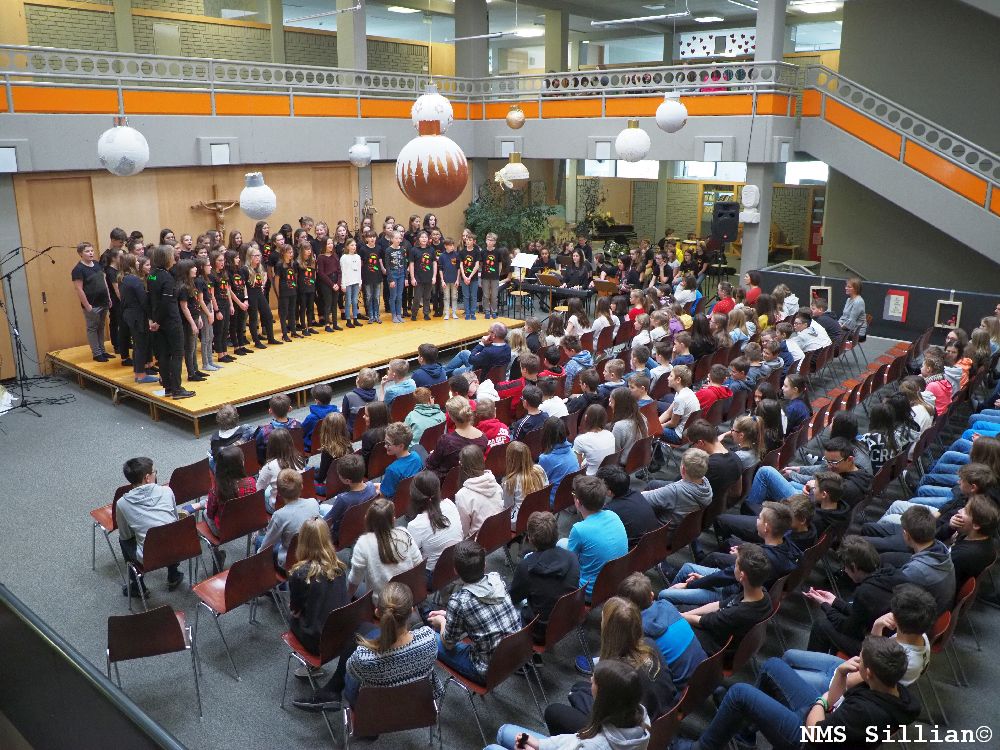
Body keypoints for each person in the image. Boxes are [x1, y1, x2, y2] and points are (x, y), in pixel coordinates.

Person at [674, 635, 920, 750]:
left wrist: (820, 703)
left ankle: (701, 748)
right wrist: (841, 673)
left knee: (739, 692)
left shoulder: (865, 712)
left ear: (870, 673)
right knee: (772, 666)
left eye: (861, 661)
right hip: (826, 718)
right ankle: (745, 734)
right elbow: (839, 692)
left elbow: (815, 733)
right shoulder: (895, 690)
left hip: (809, 740)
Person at [548, 597, 674, 734]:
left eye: (603, 619)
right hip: (660, 719)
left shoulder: (617, 671)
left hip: (632, 729)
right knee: (578, 688)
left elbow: (608, 716)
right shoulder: (650, 644)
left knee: (555, 710)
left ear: (609, 629)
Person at [784, 583, 935, 696]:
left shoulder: (900, 657)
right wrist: (877, 626)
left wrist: (841, 671)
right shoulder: (920, 636)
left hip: (847, 683)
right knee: (789, 656)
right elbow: (871, 654)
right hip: (858, 667)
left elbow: (851, 681)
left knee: (782, 673)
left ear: (896, 619)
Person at [658, 501, 797, 607]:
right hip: (739, 584)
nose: (756, 520)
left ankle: (663, 606)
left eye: (759, 518)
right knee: (688, 568)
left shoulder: (760, 558)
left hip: (731, 594)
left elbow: (724, 577)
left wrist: (690, 585)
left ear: (766, 528)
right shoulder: (786, 546)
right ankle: (671, 597)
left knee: (665, 594)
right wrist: (745, 552)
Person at [426, 540, 521, 683]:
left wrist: (441, 621)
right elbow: (482, 611)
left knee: (428, 637)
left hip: (486, 670)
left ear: (455, 571)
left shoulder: (459, 601)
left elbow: (448, 643)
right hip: (515, 655)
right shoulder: (497, 579)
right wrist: (449, 615)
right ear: (485, 564)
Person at [803, 535, 901, 656]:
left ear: (853, 567)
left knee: (821, 626)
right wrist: (835, 602)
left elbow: (848, 628)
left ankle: (809, 664)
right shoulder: (892, 573)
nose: (845, 571)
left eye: (845, 567)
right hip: (894, 635)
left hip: (880, 649)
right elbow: (862, 613)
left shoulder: (865, 592)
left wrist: (825, 606)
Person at [680, 543, 772, 656]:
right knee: (681, 609)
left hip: (716, 647)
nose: (734, 566)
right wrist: (686, 614)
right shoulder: (762, 594)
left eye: (736, 564)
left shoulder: (737, 612)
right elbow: (720, 604)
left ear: (742, 575)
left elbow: (703, 622)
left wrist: (679, 616)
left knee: (673, 618)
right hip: (726, 632)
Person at [116, 457, 183, 596]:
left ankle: (138, 586)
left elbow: (126, 535)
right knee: (169, 530)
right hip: (178, 547)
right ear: (147, 478)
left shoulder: (122, 504)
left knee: (123, 541)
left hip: (148, 556)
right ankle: (173, 574)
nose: (155, 474)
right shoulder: (167, 491)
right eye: (154, 472)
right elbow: (175, 520)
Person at [510, 511, 580, 643]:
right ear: (557, 534)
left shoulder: (526, 567)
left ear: (530, 539)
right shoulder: (572, 557)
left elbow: (513, 598)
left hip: (538, 632)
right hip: (568, 620)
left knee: (505, 604)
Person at [287, 517, 349, 655]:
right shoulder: (339, 566)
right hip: (342, 633)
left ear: (302, 541)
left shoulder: (300, 573)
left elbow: (295, 610)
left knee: (290, 615)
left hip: (316, 642)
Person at [560, 475, 628, 598]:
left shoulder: (579, 529)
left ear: (577, 502)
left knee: (560, 545)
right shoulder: (613, 515)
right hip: (617, 581)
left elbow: (570, 564)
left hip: (589, 591)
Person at [347, 498, 422, 598]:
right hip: (406, 597)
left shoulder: (363, 543)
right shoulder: (404, 533)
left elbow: (354, 580)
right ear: (393, 520)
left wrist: (347, 599)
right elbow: (419, 564)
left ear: (366, 519)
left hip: (380, 601)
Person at [147, 245, 193, 398]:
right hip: (170, 320)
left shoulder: (152, 275)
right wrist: (158, 321)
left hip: (158, 320)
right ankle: (177, 389)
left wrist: (153, 319)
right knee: (177, 354)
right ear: (166, 257)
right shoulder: (166, 277)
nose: (175, 257)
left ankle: (168, 387)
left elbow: (150, 299)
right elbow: (166, 302)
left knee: (164, 355)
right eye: (172, 255)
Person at [407, 471, 464, 579]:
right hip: (458, 561)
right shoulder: (450, 504)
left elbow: (411, 557)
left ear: (413, 495)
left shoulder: (415, 525)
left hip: (434, 574)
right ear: (438, 490)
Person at [259, 469, 321, 569]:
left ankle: (262, 572)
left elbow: (266, 545)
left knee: (259, 540)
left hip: (290, 562)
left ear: (278, 492)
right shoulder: (313, 502)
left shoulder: (279, 515)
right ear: (301, 486)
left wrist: (258, 553)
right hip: (314, 553)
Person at [642, 448, 713, 527]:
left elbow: (641, 498)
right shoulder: (706, 485)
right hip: (684, 524)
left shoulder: (675, 491)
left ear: (683, 469)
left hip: (662, 529)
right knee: (654, 484)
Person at [427, 396, 490, 480]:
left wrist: (432, 454)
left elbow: (430, 465)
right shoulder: (483, 438)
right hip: (473, 480)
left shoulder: (446, 440)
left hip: (447, 482)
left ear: (451, 416)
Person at [322, 453, 378, 545]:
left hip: (340, 534)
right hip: (361, 526)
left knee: (319, 510)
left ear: (347, 481)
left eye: (339, 475)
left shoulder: (343, 499)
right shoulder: (371, 486)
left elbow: (328, 520)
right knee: (323, 507)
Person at [72, 241, 113, 362]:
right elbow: (79, 289)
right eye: (87, 251)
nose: (91, 253)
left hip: (103, 301)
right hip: (92, 304)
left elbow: (104, 281)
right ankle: (96, 353)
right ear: (80, 253)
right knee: (92, 328)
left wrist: (109, 297)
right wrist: (87, 305)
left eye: (91, 251)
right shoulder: (78, 269)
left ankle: (102, 351)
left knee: (101, 326)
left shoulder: (96, 264)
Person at [502, 441, 549, 528]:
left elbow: (507, 506)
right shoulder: (539, 469)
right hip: (540, 512)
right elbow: (546, 488)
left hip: (519, 521)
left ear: (509, 459)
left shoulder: (510, 482)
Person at [539, 417, 581, 506]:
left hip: (554, 501)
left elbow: (540, 484)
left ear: (546, 434)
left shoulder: (545, 459)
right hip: (570, 496)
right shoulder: (572, 451)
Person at [444, 323, 512, 377]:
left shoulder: (488, 351)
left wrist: (482, 344)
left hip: (479, 373)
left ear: (493, 335)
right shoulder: (507, 347)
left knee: (454, 372)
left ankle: (443, 375)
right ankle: (443, 372)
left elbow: (471, 360)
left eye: (489, 331)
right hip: (490, 370)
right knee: (464, 353)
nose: (488, 333)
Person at [254, 393, 303, 465]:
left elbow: (259, 454)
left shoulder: (264, 431)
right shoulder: (298, 424)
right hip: (296, 460)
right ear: (290, 409)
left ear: (270, 411)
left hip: (273, 465)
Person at [573, 405, 617, 476]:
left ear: (586, 418)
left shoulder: (580, 440)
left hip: (589, 477)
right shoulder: (610, 434)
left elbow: (578, 467)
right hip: (608, 474)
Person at [609, 387, 648, 465]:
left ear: (620, 406)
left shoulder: (619, 426)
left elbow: (614, 454)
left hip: (623, 464)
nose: (609, 404)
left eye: (611, 402)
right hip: (640, 460)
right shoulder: (642, 417)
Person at [301, 383, 337, 454]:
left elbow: (301, 432)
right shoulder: (337, 413)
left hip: (313, 446)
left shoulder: (311, 418)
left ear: (316, 400)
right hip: (333, 441)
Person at [341, 367, 378, 434]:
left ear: (357, 380)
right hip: (371, 429)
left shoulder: (349, 396)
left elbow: (344, 417)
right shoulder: (375, 395)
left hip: (352, 432)